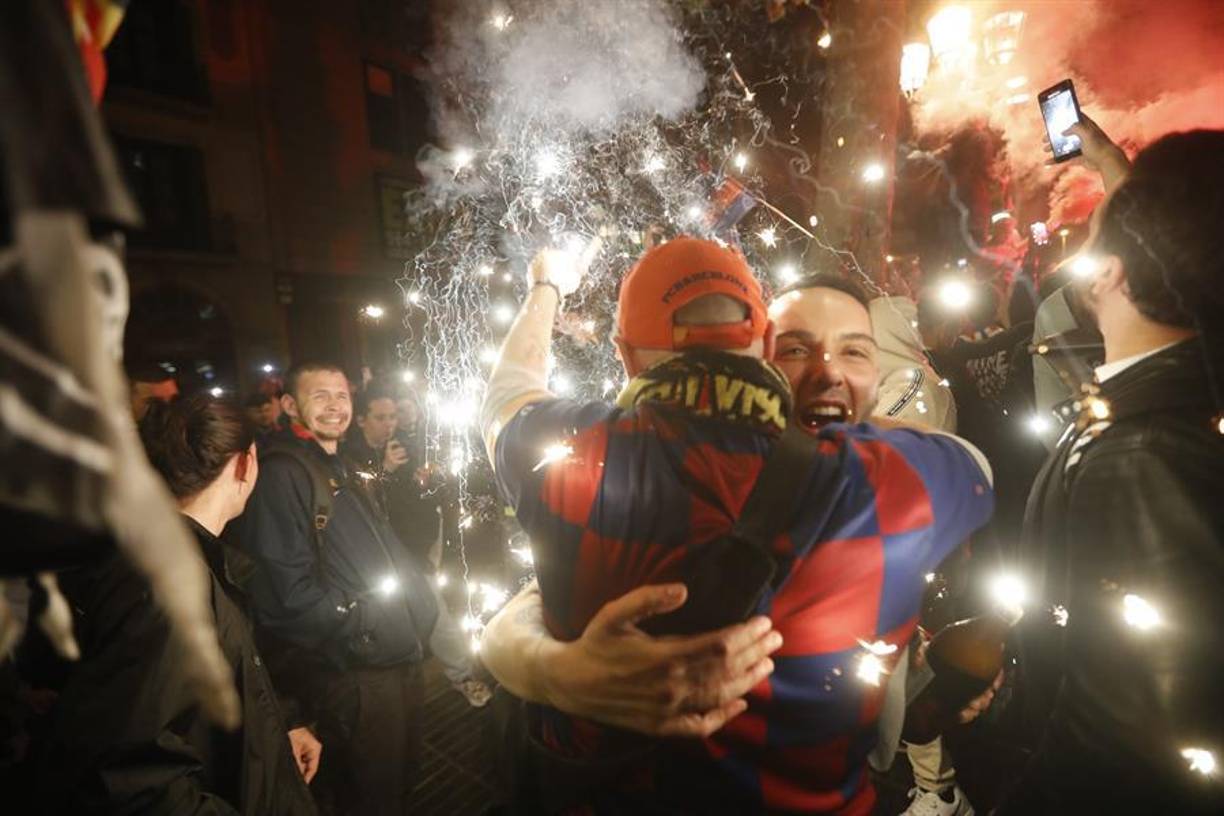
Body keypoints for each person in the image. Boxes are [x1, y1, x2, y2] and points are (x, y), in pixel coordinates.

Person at [480, 237, 994, 813]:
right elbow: (974, 467)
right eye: (800, 348)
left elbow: (507, 393)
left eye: (855, 352)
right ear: (767, 348)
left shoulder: (577, 457)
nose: (826, 374)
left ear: (625, 355)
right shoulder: (884, 485)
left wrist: (546, 286)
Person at [996, 124, 1224, 814]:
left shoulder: (1140, 457)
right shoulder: (1188, 400)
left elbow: (1123, 744)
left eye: (1098, 234)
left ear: (1113, 271)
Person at [34, 395, 319, 814]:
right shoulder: (168, 586)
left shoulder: (173, 557)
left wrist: (276, 730)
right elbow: (133, 778)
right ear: (245, 464)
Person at [235, 361, 438, 816]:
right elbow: (285, 597)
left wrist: (416, 608)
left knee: (401, 784)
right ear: (289, 405)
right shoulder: (282, 474)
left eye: (342, 396)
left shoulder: (337, 463)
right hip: (357, 674)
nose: (334, 406)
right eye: (319, 396)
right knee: (367, 797)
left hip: (394, 658)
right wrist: (363, 620)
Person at [342, 382, 492, 708]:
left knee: (430, 608)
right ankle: (454, 674)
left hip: (418, 545)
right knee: (423, 611)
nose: (389, 423)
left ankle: (458, 674)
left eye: (393, 416)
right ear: (361, 420)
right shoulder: (350, 456)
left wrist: (427, 477)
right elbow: (358, 507)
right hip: (380, 553)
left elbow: (421, 497)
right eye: (380, 417)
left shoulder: (405, 445)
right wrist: (384, 471)